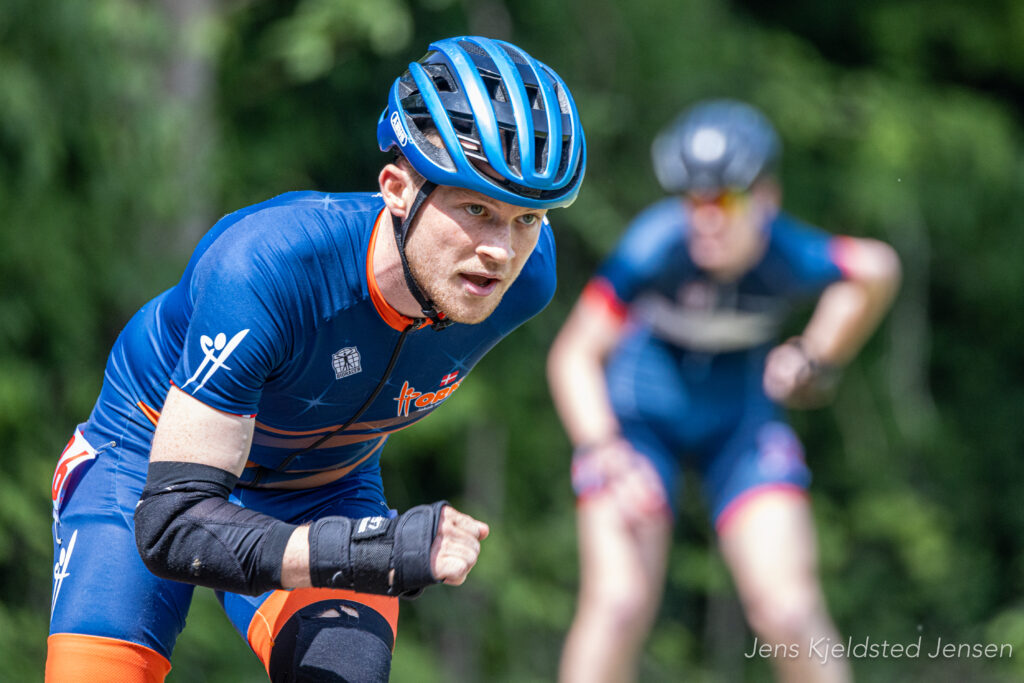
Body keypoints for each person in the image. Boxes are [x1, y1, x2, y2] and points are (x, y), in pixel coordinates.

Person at [47, 35, 585, 682]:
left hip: (325, 485)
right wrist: (367, 549)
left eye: (528, 219)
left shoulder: (526, 281)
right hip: (148, 461)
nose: (501, 250)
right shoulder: (268, 269)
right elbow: (174, 526)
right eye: (477, 208)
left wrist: (350, 544)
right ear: (396, 189)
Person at [548, 99, 899, 683]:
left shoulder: (786, 253)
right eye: (693, 201)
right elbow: (573, 355)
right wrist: (603, 446)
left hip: (740, 429)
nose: (706, 219)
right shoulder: (654, 247)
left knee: (789, 611)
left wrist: (816, 355)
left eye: (726, 201)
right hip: (636, 430)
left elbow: (877, 269)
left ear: (767, 199)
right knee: (618, 605)